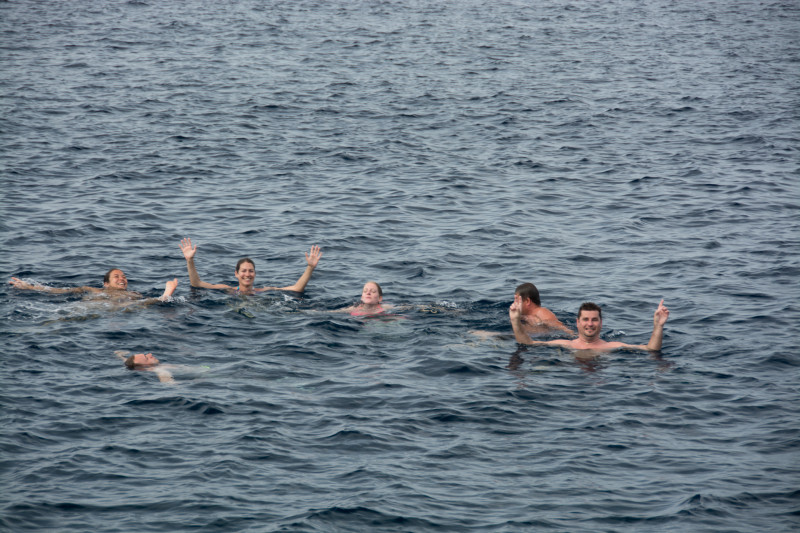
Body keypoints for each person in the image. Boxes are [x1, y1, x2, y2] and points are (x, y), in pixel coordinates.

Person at [510, 299, 670, 351]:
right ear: (577, 323)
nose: (590, 324)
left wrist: (658, 326)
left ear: (601, 323)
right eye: (586, 320)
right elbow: (527, 343)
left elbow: (651, 350)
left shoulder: (611, 346)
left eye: (594, 320)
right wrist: (515, 320)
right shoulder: (566, 344)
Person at [179, 237, 321, 295]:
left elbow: (297, 289)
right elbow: (196, 284)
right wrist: (190, 260)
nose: (247, 274)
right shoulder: (227, 290)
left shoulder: (263, 291)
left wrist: (310, 267)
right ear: (236, 273)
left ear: (255, 273)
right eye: (244, 271)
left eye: (251, 271)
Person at [9, 270, 178, 303]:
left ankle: (165, 296)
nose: (122, 279)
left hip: (111, 309)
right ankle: (165, 296)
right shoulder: (92, 289)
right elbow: (59, 291)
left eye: (124, 277)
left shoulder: (135, 294)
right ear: (106, 284)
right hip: (89, 306)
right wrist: (30, 288)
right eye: (117, 277)